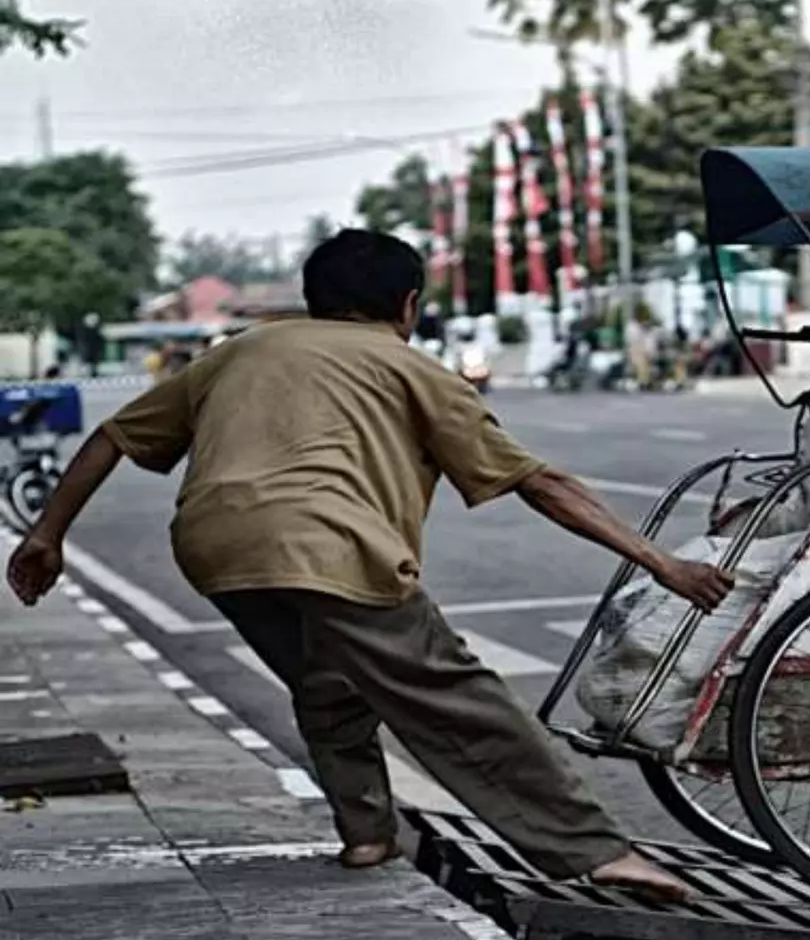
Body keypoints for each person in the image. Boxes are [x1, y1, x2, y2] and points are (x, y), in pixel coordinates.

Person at [4, 230, 733, 899]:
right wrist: (660, 563)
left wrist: (46, 535)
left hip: (213, 543)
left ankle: (366, 835)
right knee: (456, 696)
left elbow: (113, 436)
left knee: (326, 683)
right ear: (408, 304)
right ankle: (593, 850)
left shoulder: (238, 351)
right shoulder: (412, 366)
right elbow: (540, 483)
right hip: (328, 541)